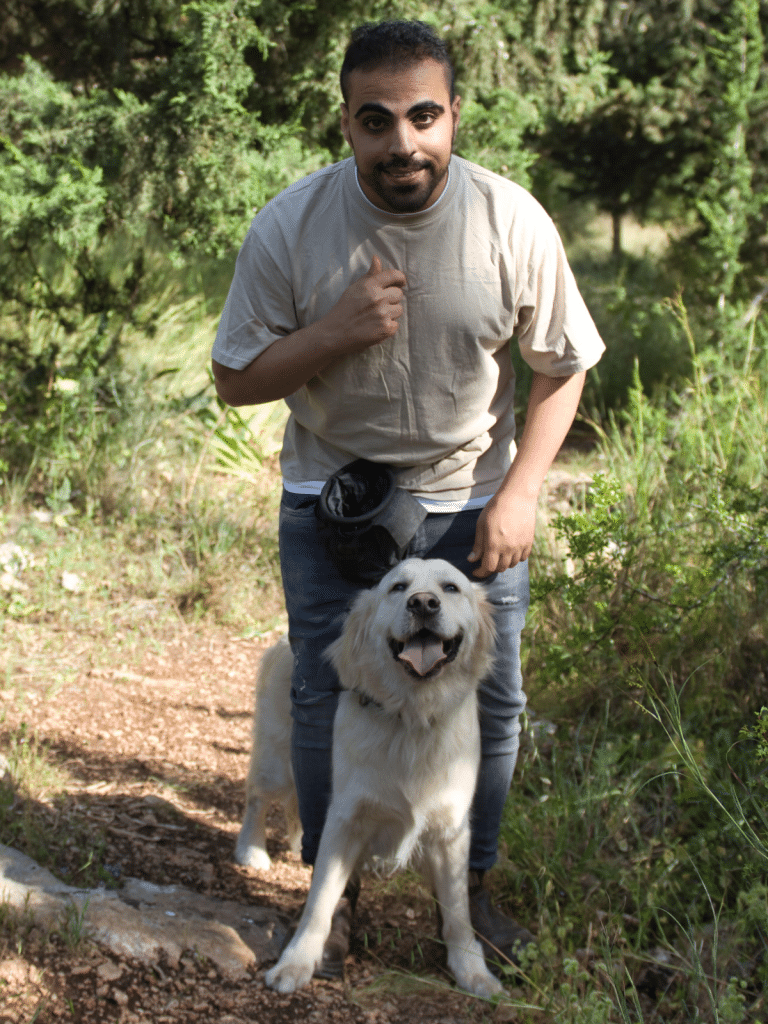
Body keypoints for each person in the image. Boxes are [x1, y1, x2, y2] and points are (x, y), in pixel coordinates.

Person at [212, 19, 604, 977]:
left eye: (423, 116)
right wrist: (336, 332)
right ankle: (327, 899)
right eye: (376, 120)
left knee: (497, 700)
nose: (403, 143)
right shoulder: (292, 225)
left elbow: (562, 366)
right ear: (345, 124)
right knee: (320, 686)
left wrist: (521, 494)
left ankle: (467, 891)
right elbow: (235, 376)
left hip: (473, 498)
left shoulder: (511, 220)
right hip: (332, 498)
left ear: (454, 115)